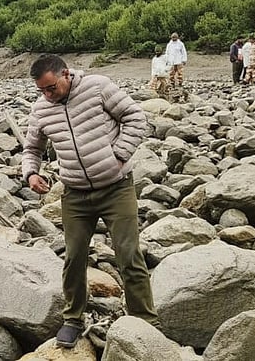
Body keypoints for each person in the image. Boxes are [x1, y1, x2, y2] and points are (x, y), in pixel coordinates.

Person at [21, 54, 157, 349]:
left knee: (128, 253)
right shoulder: (42, 109)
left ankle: (144, 321)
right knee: (74, 257)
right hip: (75, 194)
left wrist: (118, 155)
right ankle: (73, 318)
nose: (47, 95)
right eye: (41, 90)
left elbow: (135, 117)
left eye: (51, 88)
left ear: (66, 74)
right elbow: (32, 148)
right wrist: (31, 173)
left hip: (116, 188)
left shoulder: (98, 87)